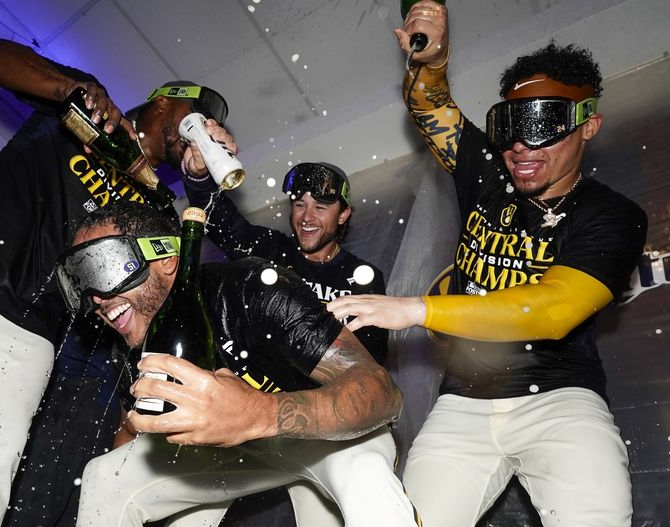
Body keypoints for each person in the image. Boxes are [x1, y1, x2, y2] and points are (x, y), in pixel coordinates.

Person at [0, 36, 233, 527]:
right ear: (163, 102)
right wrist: (71, 87)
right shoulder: (85, 109)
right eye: (195, 116)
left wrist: (199, 182)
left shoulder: (156, 207)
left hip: (30, 329)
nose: (200, 130)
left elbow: (174, 281)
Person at [327, 2, 647, 525]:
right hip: (462, 403)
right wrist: (432, 60)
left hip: (560, 399)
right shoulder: (488, 175)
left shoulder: (611, 214)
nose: (521, 145)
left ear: (589, 125)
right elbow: (430, 102)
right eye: (510, 125)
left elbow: (553, 310)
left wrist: (415, 310)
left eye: (544, 123)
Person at [51, 199, 421, 527]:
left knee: (365, 477)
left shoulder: (250, 288)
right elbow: (130, 432)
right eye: (80, 281)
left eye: (103, 267)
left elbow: (383, 393)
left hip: (326, 435)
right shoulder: (131, 345)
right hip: (231, 452)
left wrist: (259, 413)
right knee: (104, 476)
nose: (96, 299)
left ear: (165, 258)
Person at [182, 161, 389, 365]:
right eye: (300, 205)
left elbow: (371, 364)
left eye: (320, 207)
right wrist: (198, 177)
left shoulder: (364, 280)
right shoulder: (272, 250)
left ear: (343, 215)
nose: (307, 217)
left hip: (327, 386)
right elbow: (224, 223)